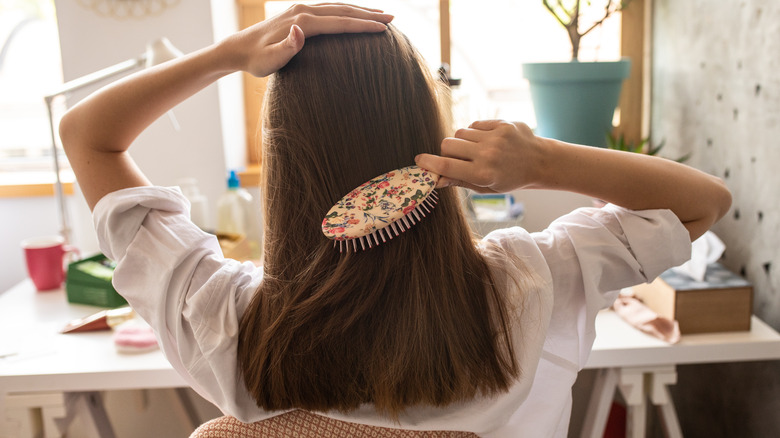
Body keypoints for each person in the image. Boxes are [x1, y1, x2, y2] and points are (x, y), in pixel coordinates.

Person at [60, 3, 732, 437]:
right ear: (428, 129)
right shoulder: (530, 286)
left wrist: (228, 55)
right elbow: (704, 202)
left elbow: (88, 136)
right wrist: (542, 160)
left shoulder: (220, 318)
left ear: (286, 165)